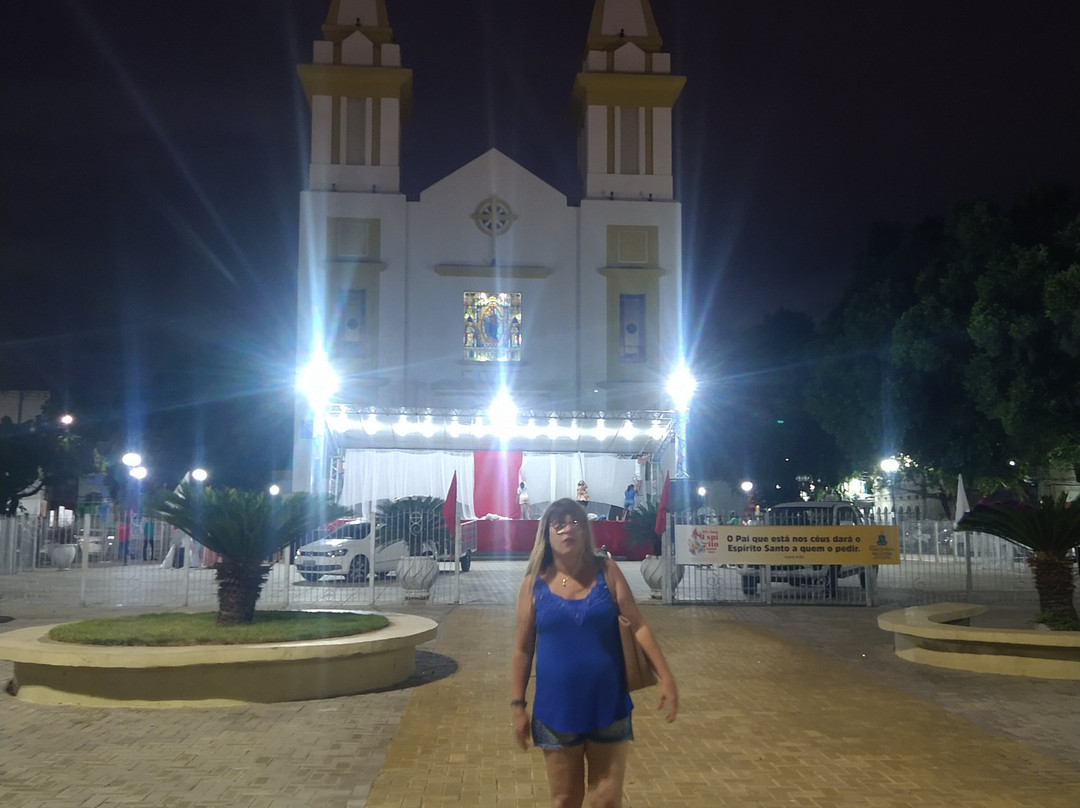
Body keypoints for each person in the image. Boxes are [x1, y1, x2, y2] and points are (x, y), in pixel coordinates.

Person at [511, 499, 678, 808]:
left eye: (575, 522)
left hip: (608, 705)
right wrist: (517, 705)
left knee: (607, 800)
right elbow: (522, 649)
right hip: (555, 710)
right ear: (546, 533)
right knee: (564, 800)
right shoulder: (533, 583)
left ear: (585, 531)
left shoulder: (607, 570)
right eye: (559, 524)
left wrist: (666, 677)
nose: (568, 529)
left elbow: (638, 625)